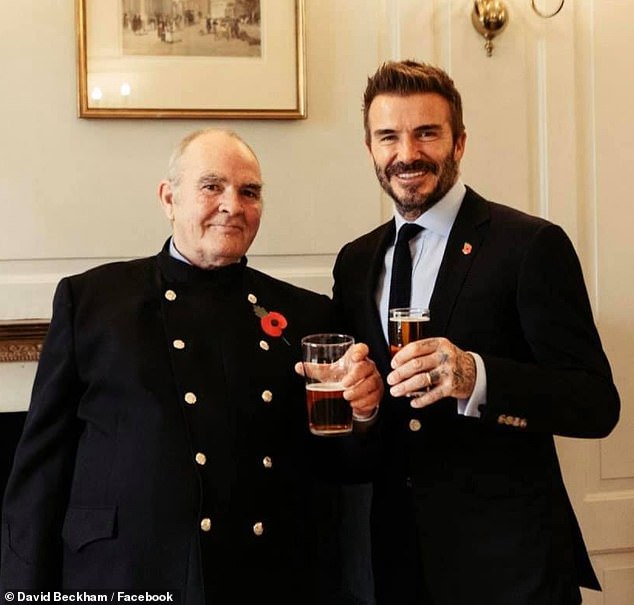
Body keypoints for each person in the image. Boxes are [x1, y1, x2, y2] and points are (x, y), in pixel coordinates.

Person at [0, 128, 382, 604]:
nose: (232, 205)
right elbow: (40, 471)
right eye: (211, 186)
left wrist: (362, 414)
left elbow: (338, 471)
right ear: (168, 197)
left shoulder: (305, 316)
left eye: (249, 192)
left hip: (265, 579)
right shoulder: (92, 301)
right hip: (123, 576)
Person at [332, 60, 620, 605]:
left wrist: (476, 377)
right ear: (369, 148)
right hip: (398, 564)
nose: (407, 153)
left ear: (459, 142)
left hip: (512, 565)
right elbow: (365, 415)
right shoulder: (355, 261)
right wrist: (363, 410)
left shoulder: (530, 246)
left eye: (427, 133)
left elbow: (596, 404)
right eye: (388, 136)